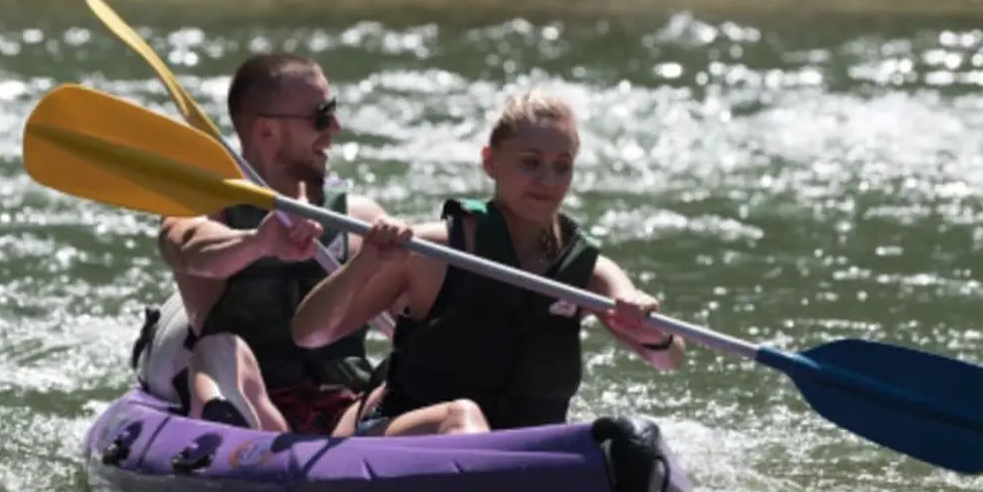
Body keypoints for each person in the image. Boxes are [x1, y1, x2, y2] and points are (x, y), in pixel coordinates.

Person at [290, 89, 686, 437]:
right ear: (490, 162)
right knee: (463, 419)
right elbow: (309, 333)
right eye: (530, 162)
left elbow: (669, 359)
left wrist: (647, 326)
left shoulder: (586, 270)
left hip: (511, 452)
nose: (548, 179)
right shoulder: (432, 251)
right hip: (402, 433)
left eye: (561, 165)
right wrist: (367, 262)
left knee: (624, 441)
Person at [131, 52, 390, 435]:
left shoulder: (361, 219)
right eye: (321, 115)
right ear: (266, 130)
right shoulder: (204, 208)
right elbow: (186, 245)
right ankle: (240, 440)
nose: (335, 126)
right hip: (254, 408)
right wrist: (258, 242)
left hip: (345, 413)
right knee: (221, 350)